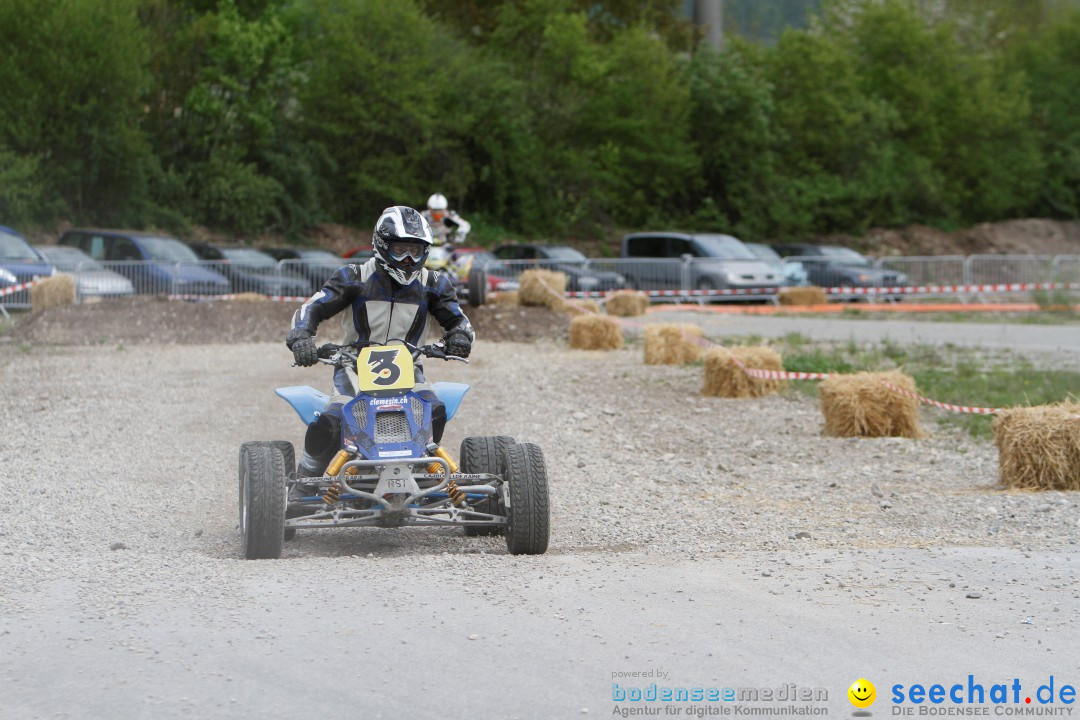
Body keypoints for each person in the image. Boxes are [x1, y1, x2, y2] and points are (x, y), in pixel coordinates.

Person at [285, 205, 475, 478]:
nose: (409, 259)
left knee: (434, 410)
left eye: (416, 250)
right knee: (333, 419)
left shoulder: (434, 283)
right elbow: (312, 308)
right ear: (382, 245)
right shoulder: (353, 277)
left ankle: (422, 468)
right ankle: (308, 472)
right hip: (352, 365)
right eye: (400, 250)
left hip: (409, 366)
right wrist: (301, 336)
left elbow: (460, 320)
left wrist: (460, 336)